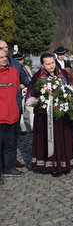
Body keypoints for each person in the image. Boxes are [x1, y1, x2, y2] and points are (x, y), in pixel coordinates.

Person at [26, 53, 73, 177]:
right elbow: (31, 95)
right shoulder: (37, 76)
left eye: (52, 63)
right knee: (50, 139)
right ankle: (53, 165)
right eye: (48, 64)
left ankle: (66, 164)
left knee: (63, 137)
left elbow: (72, 88)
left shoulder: (64, 74)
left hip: (63, 114)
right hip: (45, 116)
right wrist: (39, 100)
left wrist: (69, 97)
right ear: (42, 65)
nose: (51, 66)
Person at [0, 40, 29, 169]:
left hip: (14, 105)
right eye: (2, 48)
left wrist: (17, 87)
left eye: (6, 47)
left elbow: (25, 81)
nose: (5, 49)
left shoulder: (15, 64)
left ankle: (10, 162)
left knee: (12, 138)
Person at [0, 50, 23, 184]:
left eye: (5, 57)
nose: (4, 59)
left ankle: (9, 167)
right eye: (1, 57)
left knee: (10, 144)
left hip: (12, 115)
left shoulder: (14, 72)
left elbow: (15, 91)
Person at [12, 53, 34, 134]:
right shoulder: (15, 68)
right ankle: (23, 127)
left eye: (22, 59)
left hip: (27, 89)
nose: (21, 61)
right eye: (20, 60)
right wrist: (19, 85)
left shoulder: (25, 67)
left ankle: (30, 126)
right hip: (20, 91)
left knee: (29, 109)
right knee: (21, 109)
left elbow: (29, 78)